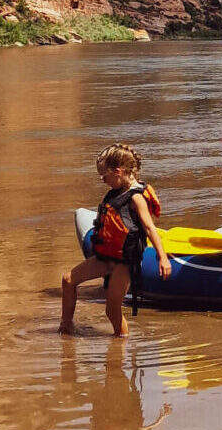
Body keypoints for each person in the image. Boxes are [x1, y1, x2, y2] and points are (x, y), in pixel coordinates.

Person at [60, 142, 171, 336]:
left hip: (123, 263)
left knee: (112, 310)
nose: (103, 181)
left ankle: (120, 348)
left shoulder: (136, 198)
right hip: (105, 257)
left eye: (104, 176)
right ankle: (65, 328)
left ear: (118, 171)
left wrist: (162, 257)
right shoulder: (117, 191)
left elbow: (149, 228)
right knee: (68, 280)